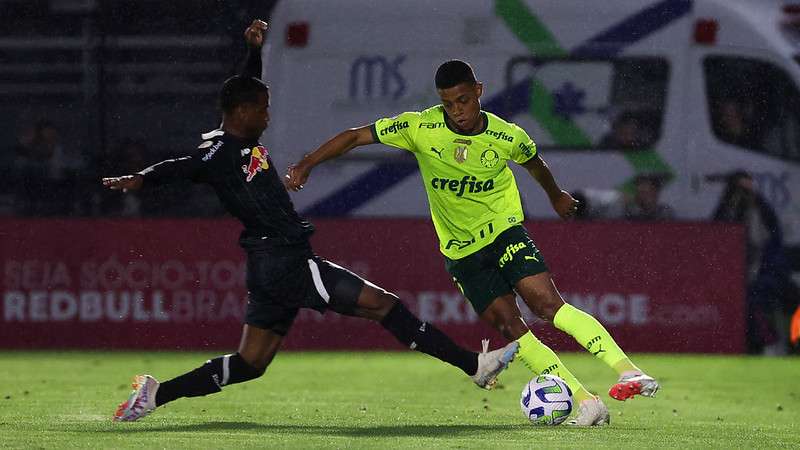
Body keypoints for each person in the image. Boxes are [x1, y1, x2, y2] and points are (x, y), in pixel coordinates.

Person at [104, 21, 518, 423]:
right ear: (244, 112)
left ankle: (155, 395)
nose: (268, 117)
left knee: (251, 363)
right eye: (263, 110)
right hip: (285, 260)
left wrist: (253, 52)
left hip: (269, 267)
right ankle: (474, 366)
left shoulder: (242, 137)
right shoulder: (218, 155)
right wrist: (142, 177)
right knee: (384, 305)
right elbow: (182, 166)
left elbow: (244, 89)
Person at [286, 60, 660, 426]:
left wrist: (556, 195)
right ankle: (587, 401)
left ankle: (629, 371)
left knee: (547, 304)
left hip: (503, 231)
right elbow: (354, 136)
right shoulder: (420, 127)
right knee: (512, 328)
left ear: (478, 91)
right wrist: (307, 163)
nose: (457, 111)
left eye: (463, 100)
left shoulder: (505, 135)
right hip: (461, 252)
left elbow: (534, 164)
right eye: (448, 103)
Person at [711, 170, 795, 354]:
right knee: (743, 301)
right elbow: (716, 236)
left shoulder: (761, 209)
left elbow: (773, 240)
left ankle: (777, 343)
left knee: (765, 298)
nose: (742, 193)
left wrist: (754, 197)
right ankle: (758, 342)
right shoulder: (727, 208)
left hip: (761, 271)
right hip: (730, 274)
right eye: (738, 188)